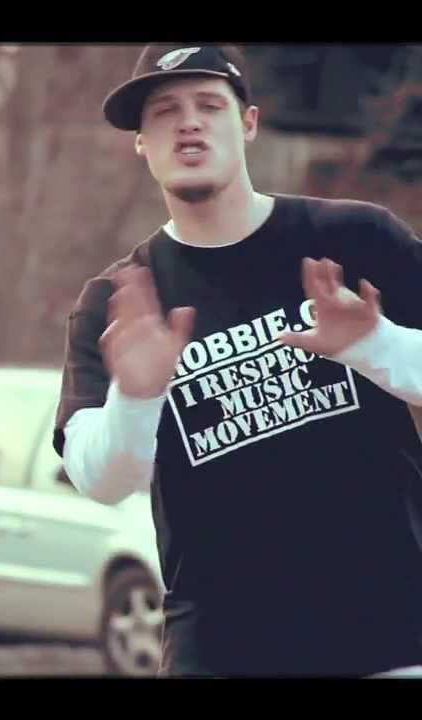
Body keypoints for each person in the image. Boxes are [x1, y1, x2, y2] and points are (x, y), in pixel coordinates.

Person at [52, 44, 422, 677]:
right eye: (165, 111)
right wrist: (136, 397)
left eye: (208, 105)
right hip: (220, 653)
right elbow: (100, 480)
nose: (188, 123)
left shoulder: (354, 239)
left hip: (390, 639)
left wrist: (376, 345)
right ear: (142, 142)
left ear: (248, 123)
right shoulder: (118, 300)